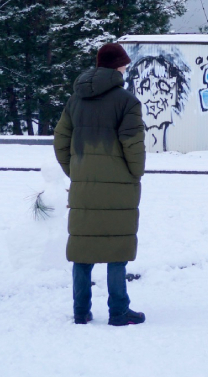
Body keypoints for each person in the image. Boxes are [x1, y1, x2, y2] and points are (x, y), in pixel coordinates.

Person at [53, 42, 146, 326]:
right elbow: (133, 144)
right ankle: (119, 311)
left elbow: (60, 142)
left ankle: (80, 311)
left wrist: (76, 171)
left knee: (82, 248)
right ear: (118, 66)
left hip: (83, 183)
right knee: (116, 248)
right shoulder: (127, 102)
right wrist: (134, 174)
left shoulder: (75, 100)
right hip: (119, 185)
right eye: (124, 64)